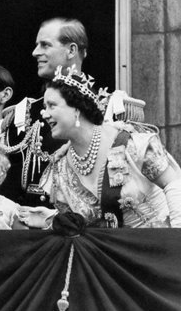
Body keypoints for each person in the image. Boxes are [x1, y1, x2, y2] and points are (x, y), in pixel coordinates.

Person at [2, 17, 146, 208]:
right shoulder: (24, 114)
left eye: (45, 45)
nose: (35, 52)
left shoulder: (115, 108)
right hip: (34, 229)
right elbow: (10, 190)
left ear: (71, 50)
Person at [18, 66, 181, 228]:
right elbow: (88, 224)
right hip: (108, 251)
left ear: (77, 107)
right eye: (44, 107)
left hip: (158, 246)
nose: (44, 114)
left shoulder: (131, 143)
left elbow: (173, 184)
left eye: (51, 105)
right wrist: (52, 220)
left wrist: (176, 238)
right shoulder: (60, 170)